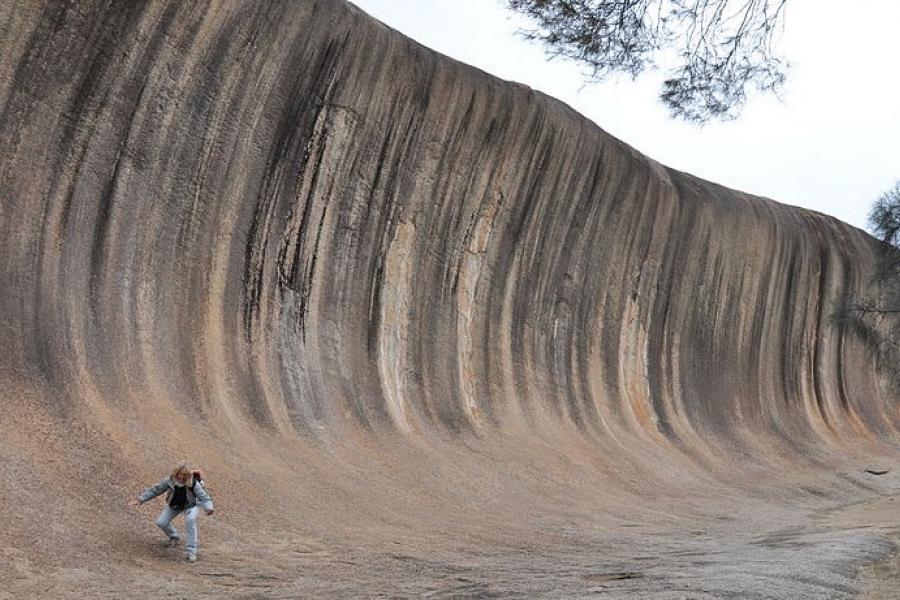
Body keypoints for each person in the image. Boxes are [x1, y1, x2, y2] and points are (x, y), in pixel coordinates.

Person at [128, 462, 215, 562]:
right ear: (175, 474)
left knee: (190, 520)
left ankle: (191, 552)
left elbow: (204, 498)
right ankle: (174, 537)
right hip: (175, 505)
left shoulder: (193, 483)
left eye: (184, 475)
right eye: (179, 475)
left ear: (187, 475)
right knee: (161, 522)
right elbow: (155, 490)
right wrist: (140, 499)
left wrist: (209, 508)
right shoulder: (169, 480)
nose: (181, 478)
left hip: (190, 506)